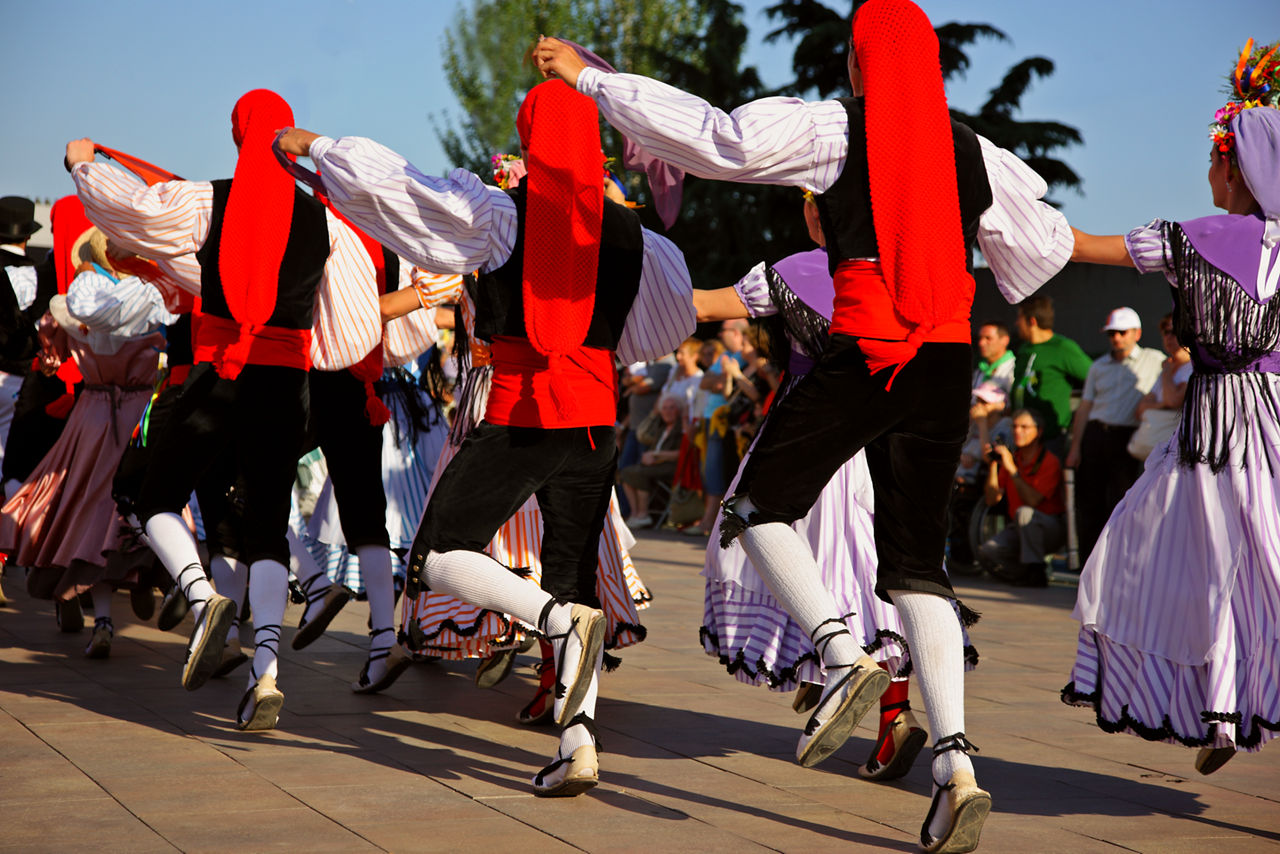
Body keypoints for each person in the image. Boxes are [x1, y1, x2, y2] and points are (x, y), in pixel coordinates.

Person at [535, 1, 1079, 845]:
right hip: (944, 360)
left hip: (868, 349)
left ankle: (838, 652)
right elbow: (1039, 249)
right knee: (917, 567)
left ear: (861, 63)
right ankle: (957, 766)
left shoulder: (837, 129)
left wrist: (597, 81)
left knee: (755, 508)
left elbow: (723, 140)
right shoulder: (974, 148)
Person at [276, 76, 694, 796]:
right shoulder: (632, 234)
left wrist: (316, 146)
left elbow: (405, 188)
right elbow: (668, 320)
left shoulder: (503, 215)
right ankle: (578, 742)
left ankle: (555, 623)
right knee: (573, 568)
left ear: (531, 139)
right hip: (597, 417)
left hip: (524, 408)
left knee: (438, 553)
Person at [67, 87, 381, 731]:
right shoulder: (325, 221)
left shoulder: (210, 199)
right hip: (285, 382)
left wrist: (82, 165)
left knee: (153, 496)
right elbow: (356, 326)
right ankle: (266, 672)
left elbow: (132, 214)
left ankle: (202, 595)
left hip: (220, 376)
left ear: (239, 134)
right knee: (268, 525)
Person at [695, 193, 980, 784]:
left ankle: (843, 673)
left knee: (788, 553)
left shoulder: (793, 273)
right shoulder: (916, 273)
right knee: (885, 578)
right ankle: (896, 718)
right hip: (892, 448)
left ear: (815, 215)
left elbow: (701, 305)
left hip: (811, 441)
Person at [1062, 43, 1280, 779]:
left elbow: (1086, 246)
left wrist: (1004, 214)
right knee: (1252, 575)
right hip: (1257, 428)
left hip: (1222, 435)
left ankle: (1222, 703)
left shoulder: (1201, 237)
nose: (1211, 172)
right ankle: (1224, 704)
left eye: (1218, 159)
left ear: (1241, 168)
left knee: (1167, 562)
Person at [0, 232, 175, 656]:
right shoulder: (149, 295)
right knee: (146, 509)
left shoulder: (75, 299)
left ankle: (105, 615)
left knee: (87, 511)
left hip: (93, 415)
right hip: (136, 417)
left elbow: (51, 358)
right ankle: (145, 581)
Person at [1064, 307, 1164, 560]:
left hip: (1128, 438)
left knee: (1123, 500)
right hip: (1096, 436)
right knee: (1090, 503)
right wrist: (1075, 448)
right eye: (1111, 333)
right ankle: (1088, 562)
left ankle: (1120, 561)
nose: (1116, 338)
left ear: (1137, 333)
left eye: (1121, 332)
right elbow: (1085, 407)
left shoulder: (1155, 360)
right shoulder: (1098, 366)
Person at [976, 409, 1065, 587]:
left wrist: (1012, 471)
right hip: (1018, 528)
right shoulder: (1012, 458)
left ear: (1038, 432)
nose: (1017, 431)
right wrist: (994, 465)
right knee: (987, 552)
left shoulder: (1050, 461)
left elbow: (1033, 502)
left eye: (1024, 427)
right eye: (1015, 426)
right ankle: (1027, 574)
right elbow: (992, 500)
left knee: (1025, 512)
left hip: (1049, 529)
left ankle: (1035, 571)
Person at [1009, 295, 1092, 454]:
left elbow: (1094, 376)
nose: (1017, 323)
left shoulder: (1062, 347)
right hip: (1021, 437)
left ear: (1032, 321)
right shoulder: (1024, 348)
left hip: (1051, 438)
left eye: (1019, 317)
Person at [1127, 313, 1192, 460]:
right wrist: (1163, 404)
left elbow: (1173, 401)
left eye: (1175, 332)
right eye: (1165, 332)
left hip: (1178, 454)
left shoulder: (1193, 368)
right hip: (1156, 454)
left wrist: (1167, 373)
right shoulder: (1167, 367)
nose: (1169, 337)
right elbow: (1140, 409)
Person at [619, 393, 683, 528]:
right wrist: (648, 456)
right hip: (656, 465)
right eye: (664, 408)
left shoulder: (681, 429)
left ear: (678, 410)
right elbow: (644, 435)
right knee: (624, 472)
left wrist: (656, 455)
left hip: (671, 466)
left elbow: (680, 454)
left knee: (638, 473)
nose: (668, 412)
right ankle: (635, 513)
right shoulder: (661, 428)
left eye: (671, 408)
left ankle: (643, 514)